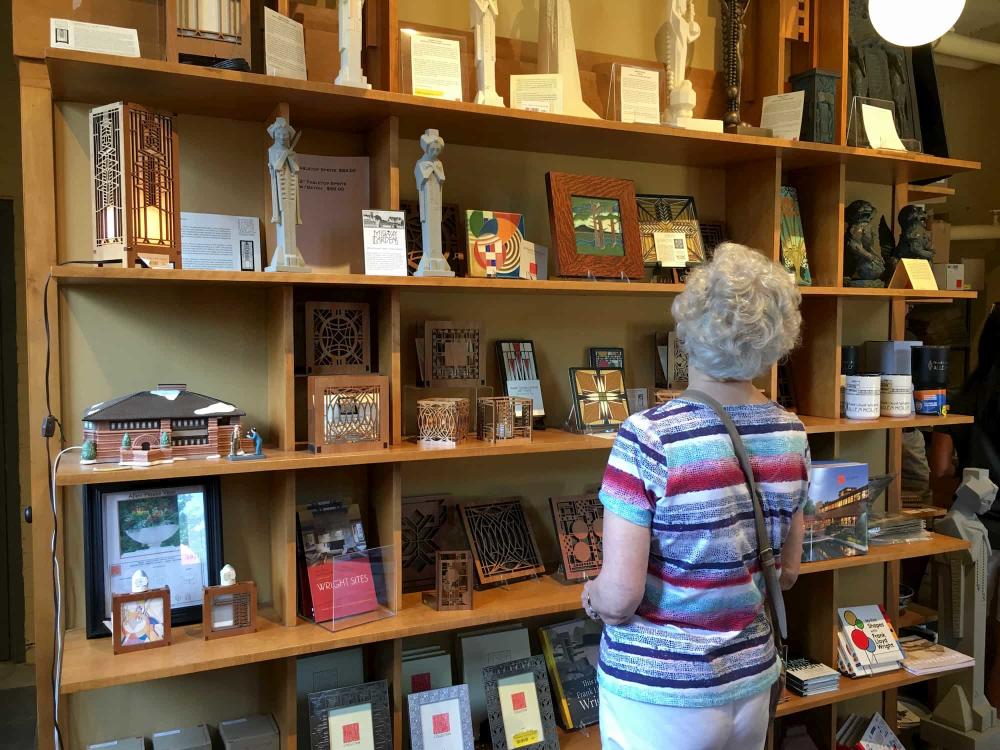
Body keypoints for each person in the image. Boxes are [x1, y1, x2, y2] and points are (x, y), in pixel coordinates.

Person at [582, 243, 809, 750]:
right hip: (752, 685)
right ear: (775, 339)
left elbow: (620, 598)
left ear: (687, 330)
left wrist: (592, 597)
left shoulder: (647, 436)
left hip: (661, 696)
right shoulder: (791, 433)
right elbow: (787, 572)